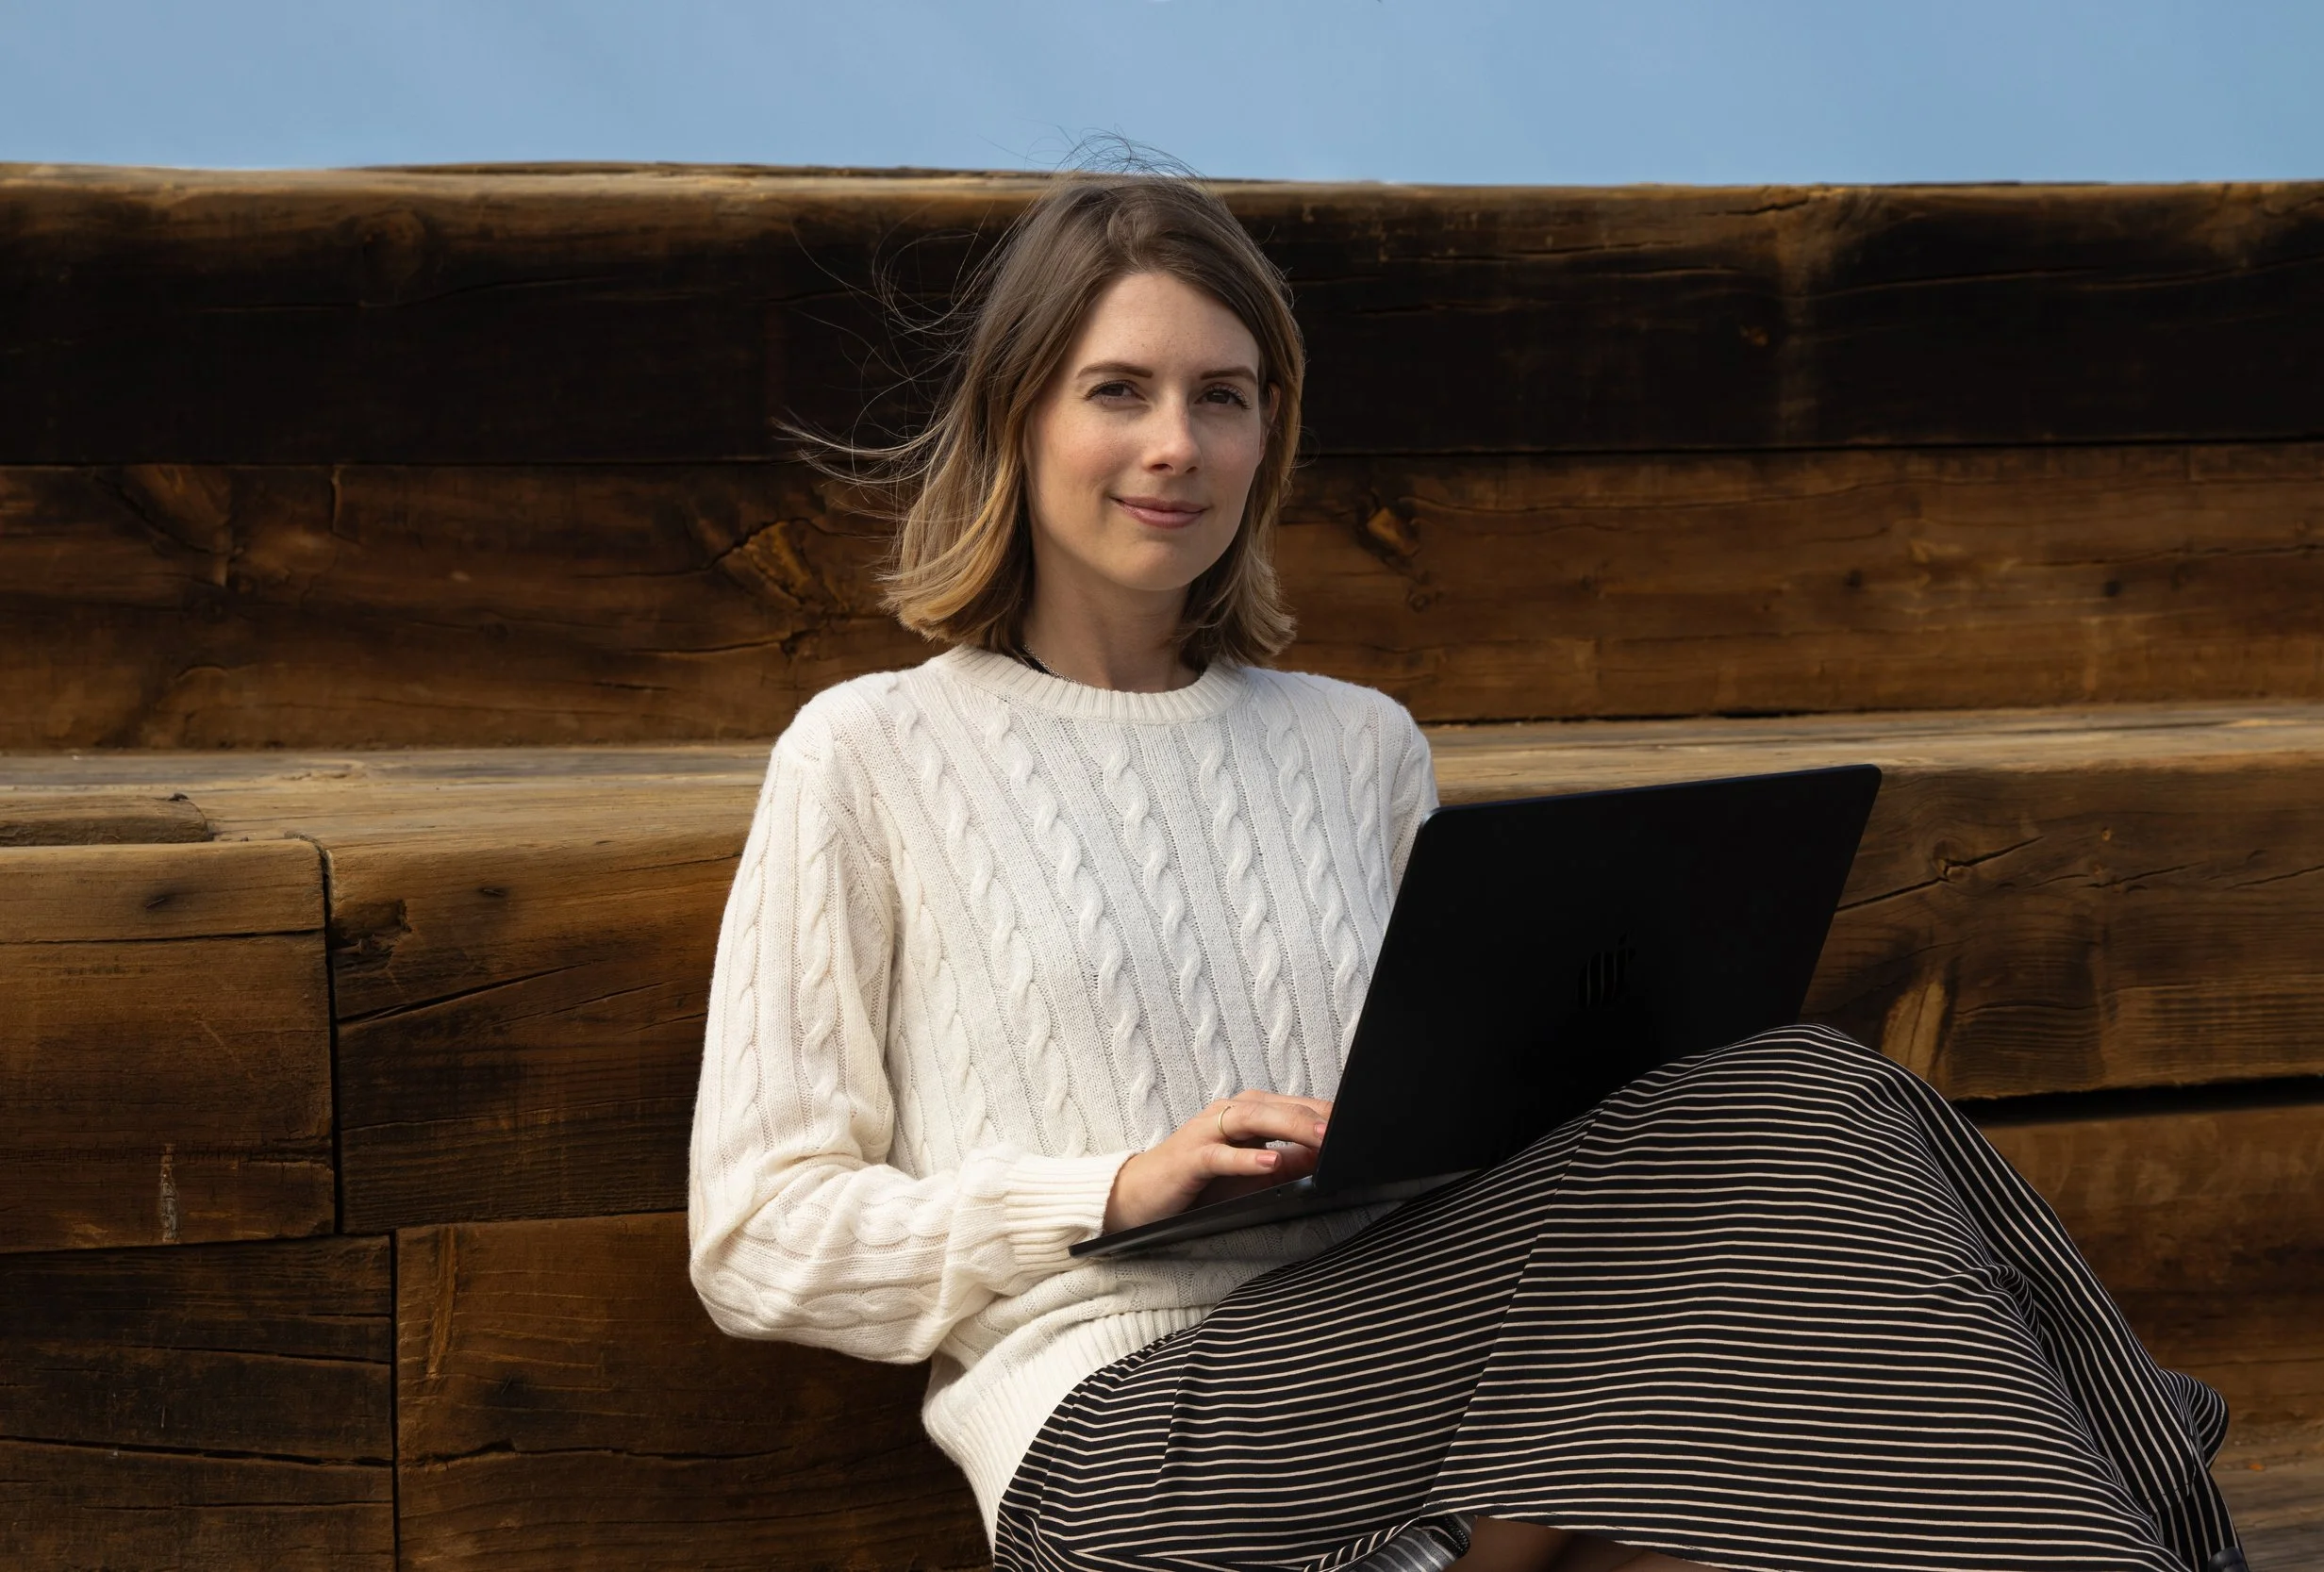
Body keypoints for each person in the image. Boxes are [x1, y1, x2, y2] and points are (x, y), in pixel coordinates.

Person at [687, 172, 2244, 1572]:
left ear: (1268, 431)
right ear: (1017, 416)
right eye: (1120, 391)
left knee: (1810, 1098)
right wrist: (1109, 1188)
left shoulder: (1357, 745)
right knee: (1802, 1103)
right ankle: (2164, 1506)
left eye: (1223, 397)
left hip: (1439, 1385)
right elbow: (757, 1237)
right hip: (1129, 1444)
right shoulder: (869, 752)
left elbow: (1436, 1134)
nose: (1176, 445)